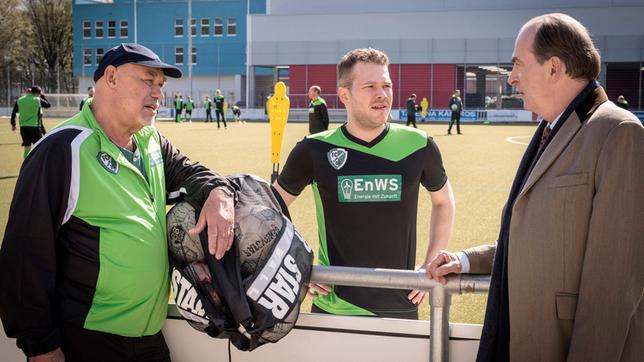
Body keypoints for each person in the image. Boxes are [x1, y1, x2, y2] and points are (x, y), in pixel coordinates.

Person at [0, 43, 238, 361]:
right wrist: (40, 347)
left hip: (149, 338)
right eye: (147, 80)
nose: (158, 93)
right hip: (88, 341)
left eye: (161, 85)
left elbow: (192, 173)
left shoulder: (151, 140)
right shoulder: (62, 150)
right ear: (111, 77)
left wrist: (218, 193)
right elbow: (24, 257)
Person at [427, 14, 643, 361]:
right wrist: (467, 260)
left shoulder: (618, 132)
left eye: (518, 66)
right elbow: (543, 240)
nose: (511, 78)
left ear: (554, 68)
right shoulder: (553, 129)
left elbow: (612, 290)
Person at [273, 48, 455, 320]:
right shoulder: (314, 150)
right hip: (333, 306)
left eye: (387, 85)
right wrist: (296, 264)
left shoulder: (419, 145)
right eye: (370, 86)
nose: (382, 94)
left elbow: (444, 202)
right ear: (344, 95)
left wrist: (430, 263)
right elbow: (268, 211)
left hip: (401, 305)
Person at [10, 86, 51, 159]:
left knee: (27, 148)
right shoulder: (37, 100)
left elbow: (14, 113)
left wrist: (13, 124)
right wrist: (42, 97)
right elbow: (48, 105)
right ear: (38, 93)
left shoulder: (20, 100)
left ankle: (26, 164)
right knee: (40, 145)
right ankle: (38, 162)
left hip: (23, 128)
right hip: (34, 127)